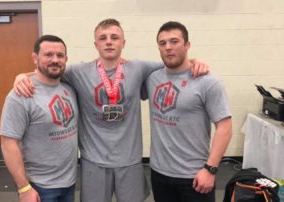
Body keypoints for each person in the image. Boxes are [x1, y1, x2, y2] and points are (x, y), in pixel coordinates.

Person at [13, 19, 209, 202]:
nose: (109, 42)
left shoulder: (139, 67)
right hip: (93, 161)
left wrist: (195, 60)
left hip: (130, 160)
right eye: (103, 38)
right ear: (95, 44)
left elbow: (174, 63)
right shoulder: (79, 72)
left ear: (123, 42)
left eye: (114, 38)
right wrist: (22, 75)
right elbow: (49, 70)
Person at [143, 21, 232, 202]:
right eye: (162, 43)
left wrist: (210, 169)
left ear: (187, 45)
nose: (168, 47)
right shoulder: (152, 78)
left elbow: (225, 127)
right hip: (160, 173)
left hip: (195, 176)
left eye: (174, 41)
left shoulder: (207, 82)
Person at [0, 35, 78, 202]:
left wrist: (23, 73)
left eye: (60, 55)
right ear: (35, 58)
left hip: (69, 182)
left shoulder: (69, 87)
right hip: (40, 187)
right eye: (48, 55)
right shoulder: (20, 95)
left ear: (66, 59)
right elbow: (8, 143)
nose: (55, 60)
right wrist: (24, 188)